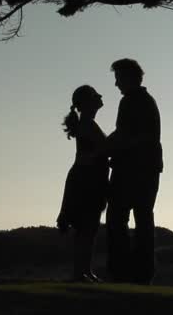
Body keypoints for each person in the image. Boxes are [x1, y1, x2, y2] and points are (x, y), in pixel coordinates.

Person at [104, 58, 163, 285]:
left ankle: (121, 272)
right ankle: (141, 273)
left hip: (131, 170)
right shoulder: (147, 100)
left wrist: (101, 149)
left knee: (117, 220)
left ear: (129, 78)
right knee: (143, 220)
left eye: (118, 78)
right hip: (148, 170)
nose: (116, 84)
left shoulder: (130, 101)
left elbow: (123, 135)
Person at [56, 85, 109, 283]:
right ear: (87, 102)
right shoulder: (87, 124)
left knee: (89, 228)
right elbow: (103, 148)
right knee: (86, 228)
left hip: (89, 179)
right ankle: (80, 272)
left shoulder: (88, 123)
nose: (101, 96)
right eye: (96, 95)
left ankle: (85, 270)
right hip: (87, 180)